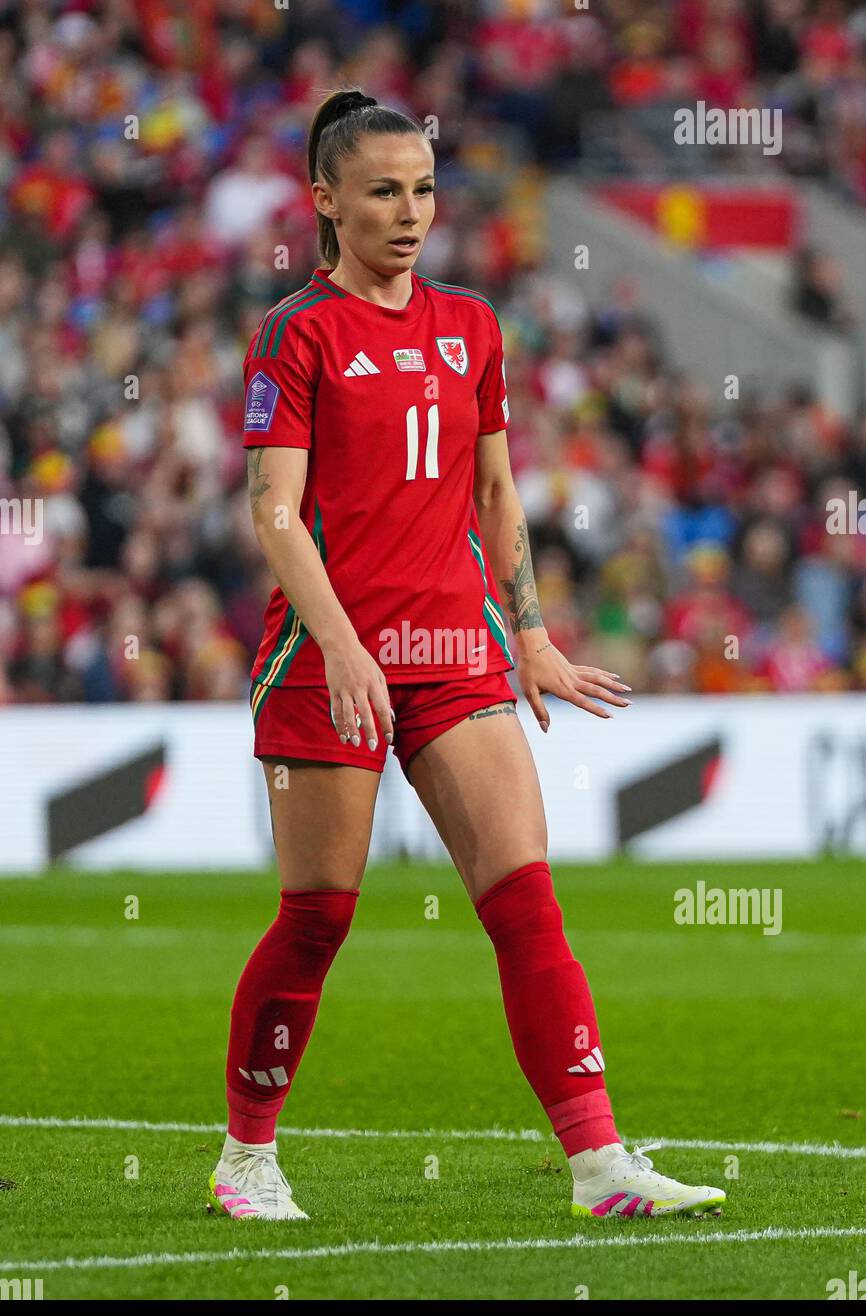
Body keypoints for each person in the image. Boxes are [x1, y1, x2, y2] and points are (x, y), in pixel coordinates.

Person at [207, 88, 726, 1222]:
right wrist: (342, 645)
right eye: (383, 190)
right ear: (325, 201)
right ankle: (247, 1155)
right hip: (322, 656)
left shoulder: (472, 326)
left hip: (454, 653)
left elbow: (495, 488)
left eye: (424, 188)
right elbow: (275, 513)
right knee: (319, 916)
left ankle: (595, 1162)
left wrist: (529, 632)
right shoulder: (294, 334)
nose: (409, 212)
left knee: (525, 904)